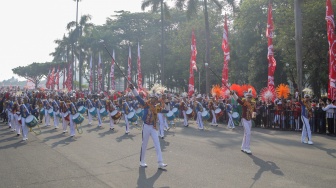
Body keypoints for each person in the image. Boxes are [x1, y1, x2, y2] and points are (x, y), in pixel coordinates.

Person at [129, 84, 167, 169]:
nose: (155, 100)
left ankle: (160, 162)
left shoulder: (157, 107)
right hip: (146, 126)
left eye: (156, 99)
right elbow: (138, 97)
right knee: (144, 144)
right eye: (154, 99)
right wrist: (133, 89)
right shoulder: (146, 104)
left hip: (153, 127)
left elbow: (164, 110)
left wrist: (166, 106)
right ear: (152, 98)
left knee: (157, 144)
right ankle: (142, 161)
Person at [231, 89, 256, 154]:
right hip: (244, 119)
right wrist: (233, 93)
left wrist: (254, 114)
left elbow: (254, 111)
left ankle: (243, 147)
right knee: (248, 133)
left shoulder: (253, 104)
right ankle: (247, 148)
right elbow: (237, 99)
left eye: (250, 97)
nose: (249, 99)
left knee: (246, 134)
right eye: (248, 97)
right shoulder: (244, 102)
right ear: (246, 97)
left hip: (249, 120)